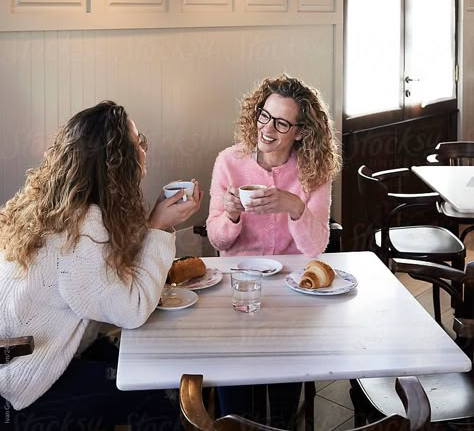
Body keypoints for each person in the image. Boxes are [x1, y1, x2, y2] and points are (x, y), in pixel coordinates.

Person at [0, 100, 202, 430]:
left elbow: (106, 276)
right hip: (26, 384)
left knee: (150, 363)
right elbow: (132, 309)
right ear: (115, 163)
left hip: (25, 362)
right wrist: (158, 229)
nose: (144, 151)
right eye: (138, 143)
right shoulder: (79, 228)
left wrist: (155, 222)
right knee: (160, 392)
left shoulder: (57, 205)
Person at [206, 74, 341, 430]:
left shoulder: (315, 171)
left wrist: (294, 205)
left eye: (282, 123)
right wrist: (232, 214)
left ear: (300, 131)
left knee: (282, 396)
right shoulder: (229, 162)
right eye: (264, 116)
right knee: (234, 395)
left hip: (291, 290)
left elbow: (315, 247)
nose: (268, 129)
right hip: (236, 285)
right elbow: (217, 240)